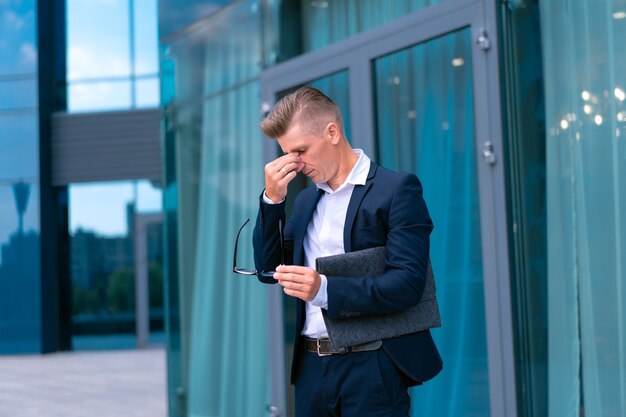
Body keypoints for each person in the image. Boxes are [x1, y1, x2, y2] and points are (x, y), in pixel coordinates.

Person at [253, 86, 442, 416]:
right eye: (287, 155)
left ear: (332, 132)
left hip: (373, 365)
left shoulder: (396, 190)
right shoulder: (306, 200)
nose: (294, 165)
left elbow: (408, 285)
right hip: (311, 368)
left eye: (301, 151)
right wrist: (273, 201)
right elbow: (269, 269)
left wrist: (325, 290)